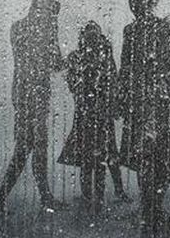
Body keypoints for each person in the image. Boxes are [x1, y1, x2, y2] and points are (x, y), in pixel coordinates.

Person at [118, 0, 170, 235]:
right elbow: (125, 69)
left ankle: (151, 207)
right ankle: (150, 208)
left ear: (149, 1)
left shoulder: (163, 28)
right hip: (141, 104)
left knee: (161, 159)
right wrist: (123, 99)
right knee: (149, 160)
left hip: (157, 104)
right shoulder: (131, 32)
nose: (134, 3)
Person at [0, 0, 66, 213]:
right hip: (30, 94)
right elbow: (52, 63)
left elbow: (51, 64)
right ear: (40, 9)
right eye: (50, 13)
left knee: (32, 146)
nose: (52, 17)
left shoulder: (21, 28)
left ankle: (41, 197)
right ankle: (3, 198)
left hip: (29, 94)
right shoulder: (33, 30)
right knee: (29, 146)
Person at [58, 21, 119, 215]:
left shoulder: (103, 57)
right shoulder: (79, 57)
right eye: (89, 35)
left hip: (97, 114)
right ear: (83, 38)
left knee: (97, 158)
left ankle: (97, 198)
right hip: (87, 114)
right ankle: (90, 198)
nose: (92, 39)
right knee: (90, 159)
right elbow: (71, 81)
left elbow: (113, 80)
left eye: (95, 35)